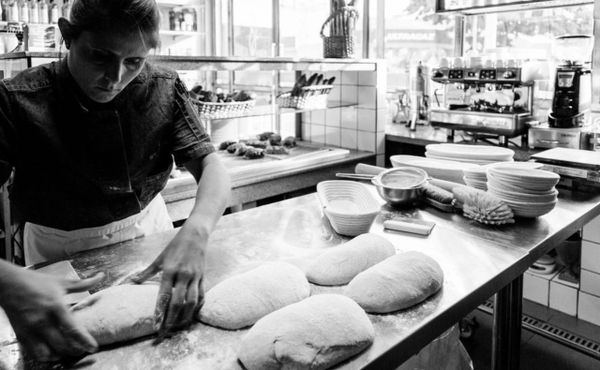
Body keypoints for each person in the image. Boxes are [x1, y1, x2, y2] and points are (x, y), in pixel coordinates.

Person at [0, 0, 230, 362]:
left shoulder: (162, 88)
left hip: (149, 236)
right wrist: (6, 280)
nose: (116, 77)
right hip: (57, 254)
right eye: (100, 56)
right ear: (67, 36)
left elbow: (211, 165)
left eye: (134, 62)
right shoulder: (18, 100)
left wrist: (198, 230)